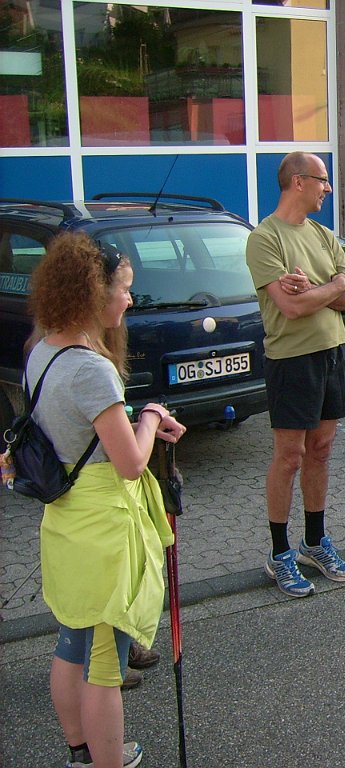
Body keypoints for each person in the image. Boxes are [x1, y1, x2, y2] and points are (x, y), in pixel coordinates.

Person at [26, 232, 186, 768]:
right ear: (96, 295)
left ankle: (80, 752)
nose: (130, 300)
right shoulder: (91, 369)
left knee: (72, 642)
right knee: (104, 663)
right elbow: (132, 463)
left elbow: (82, 426)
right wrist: (149, 418)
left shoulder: (42, 351)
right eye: (124, 289)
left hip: (67, 521)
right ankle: (108, 761)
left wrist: (134, 417)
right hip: (103, 527)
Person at [245, 151, 345, 597]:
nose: (327, 189)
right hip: (292, 360)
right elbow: (290, 308)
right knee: (289, 456)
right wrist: (332, 285)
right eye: (322, 181)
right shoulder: (265, 238)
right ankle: (280, 553)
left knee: (322, 449)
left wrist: (321, 288)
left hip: (333, 352)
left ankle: (315, 542)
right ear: (298, 182)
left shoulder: (324, 234)